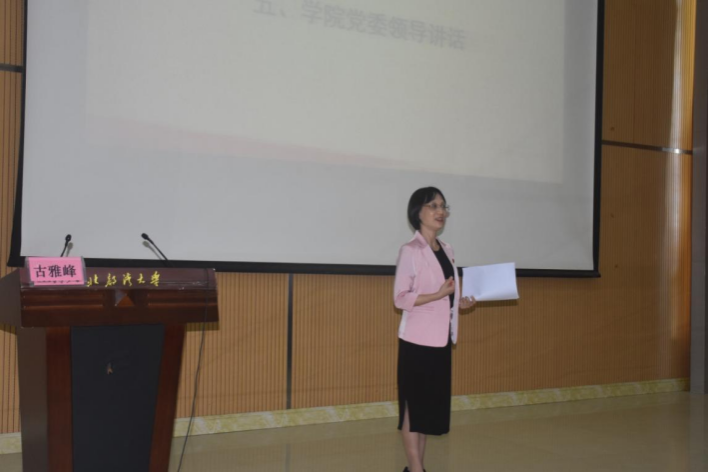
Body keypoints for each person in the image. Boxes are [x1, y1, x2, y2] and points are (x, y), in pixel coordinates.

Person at [393, 187, 476, 473]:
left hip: (441, 340)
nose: (441, 211)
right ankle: (417, 469)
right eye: (433, 206)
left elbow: (447, 296)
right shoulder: (410, 251)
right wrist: (439, 294)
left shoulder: (447, 250)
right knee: (413, 409)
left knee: (426, 411)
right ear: (418, 212)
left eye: (443, 206)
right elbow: (400, 298)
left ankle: (416, 468)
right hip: (417, 341)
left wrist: (459, 302)